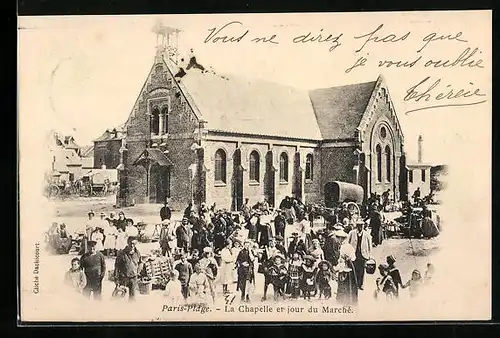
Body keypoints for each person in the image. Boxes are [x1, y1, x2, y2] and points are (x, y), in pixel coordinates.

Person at [114, 236, 143, 302]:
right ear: (127, 243)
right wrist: (116, 279)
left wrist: (138, 271)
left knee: (132, 298)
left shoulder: (137, 253)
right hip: (124, 278)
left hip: (133, 278)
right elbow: (117, 267)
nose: (132, 245)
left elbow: (141, 263)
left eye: (134, 244)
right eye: (131, 243)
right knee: (119, 297)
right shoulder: (122, 253)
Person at [335, 229, 358, 305]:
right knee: (343, 283)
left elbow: (353, 257)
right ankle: (343, 299)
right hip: (343, 265)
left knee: (347, 283)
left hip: (347, 266)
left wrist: (347, 258)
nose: (338, 240)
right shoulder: (340, 246)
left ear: (342, 238)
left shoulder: (347, 247)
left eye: (338, 238)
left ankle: (348, 300)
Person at [348, 220, 372, 290]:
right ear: (356, 226)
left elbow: (369, 245)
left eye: (361, 225)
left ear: (363, 226)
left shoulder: (367, 234)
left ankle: (360, 284)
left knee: (361, 270)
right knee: (353, 269)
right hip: (354, 254)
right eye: (358, 225)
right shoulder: (352, 233)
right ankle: (354, 284)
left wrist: (369, 255)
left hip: (363, 255)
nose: (360, 227)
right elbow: (348, 242)